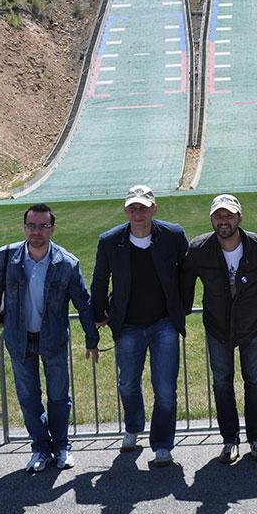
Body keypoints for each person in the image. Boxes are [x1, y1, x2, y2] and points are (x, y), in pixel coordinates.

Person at [0, 203, 97, 472]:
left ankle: (62, 447)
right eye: (31, 225)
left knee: (58, 396)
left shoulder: (66, 263)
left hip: (53, 340)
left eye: (43, 226)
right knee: (29, 397)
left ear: (52, 228)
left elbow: (83, 303)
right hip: (19, 339)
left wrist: (92, 338)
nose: (36, 232)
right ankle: (40, 448)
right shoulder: (5, 258)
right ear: (24, 227)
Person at [181, 194, 257, 464]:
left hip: (253, 326)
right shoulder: (199, 249)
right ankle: (229, 440)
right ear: (212, 218)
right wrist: (179, 315)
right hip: (217, 327)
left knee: (254, 382)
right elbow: (185, 284)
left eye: (229, 215)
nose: (224, 221)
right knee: (222, 384)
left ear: (239, 218)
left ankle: (256, 440)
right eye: (218, 216)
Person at [91, 185, 188, 468]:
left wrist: (180, 308)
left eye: (143, 207)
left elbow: (188, 273)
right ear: (126, 210)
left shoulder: (173, 235)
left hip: (164, 325)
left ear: (154, 209)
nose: (138, 213)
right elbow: (99, 281)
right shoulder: (110, 241)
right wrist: (99, 314)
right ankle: (133, 427)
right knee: (128, 384)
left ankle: (162, 446)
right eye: (133, 208)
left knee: (166, 389)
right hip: (128, 326)